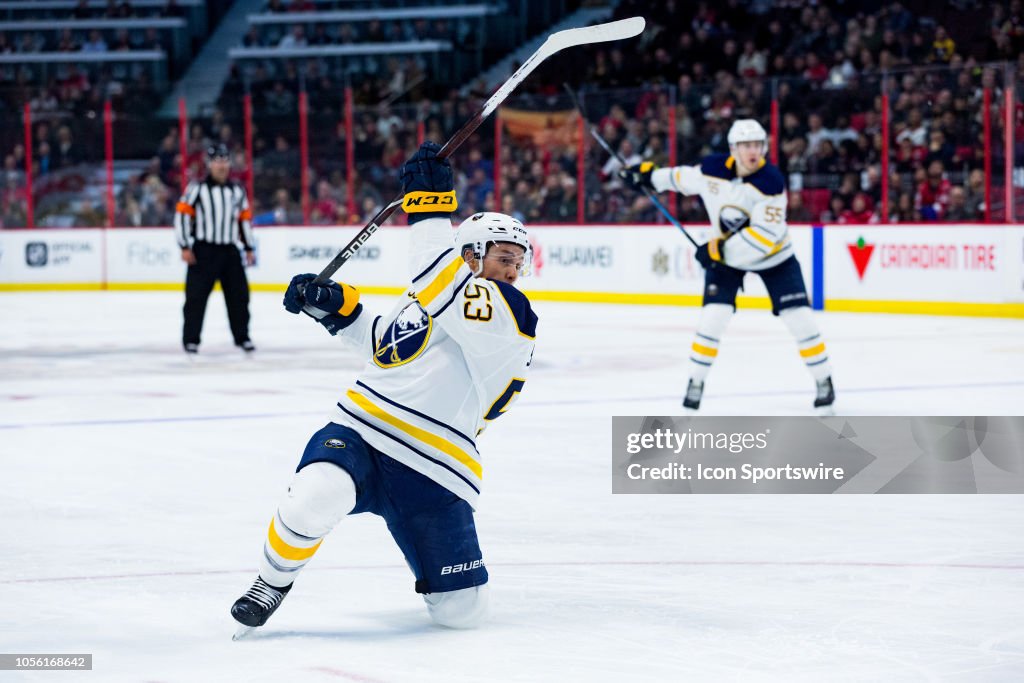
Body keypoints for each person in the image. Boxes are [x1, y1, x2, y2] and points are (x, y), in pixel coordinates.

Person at [230, 142, 537, 633]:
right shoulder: (438, 294)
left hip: (436, 468)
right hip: (363, 430)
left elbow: (439, 280)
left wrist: (431, 206)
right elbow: (387, 343)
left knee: (463, 614)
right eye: (503, 257)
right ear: (469, 256)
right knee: (315, 494)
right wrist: (334, 307)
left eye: (518, 262)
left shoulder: (510, 313)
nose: (513, 270)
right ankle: (271, 581)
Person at [619, 119, 835, 413]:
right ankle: (695, 383)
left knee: (800, 320)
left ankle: (824, 381)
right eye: (746, 145)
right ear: (733, 149)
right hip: (724, 258)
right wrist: (649, 177)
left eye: (757, 145)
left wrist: (717, 249)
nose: (753, 151)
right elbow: (683, 179)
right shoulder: (713, 169)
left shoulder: (771, 183)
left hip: (775, 257)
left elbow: (763, 238)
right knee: (712, 320)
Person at [173, 143, 257, 354]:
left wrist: (248, 247)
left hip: (229, 251)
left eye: (224, 160)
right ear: (209, 164)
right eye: (217, 161)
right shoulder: (197, 188)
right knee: (195, 298)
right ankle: (191, 339)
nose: (221, 165)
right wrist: (184, 245)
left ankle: (242, 337)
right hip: (204, 251)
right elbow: (182, 215)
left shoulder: (237, 190)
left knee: (239, 297)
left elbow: (244, 220)